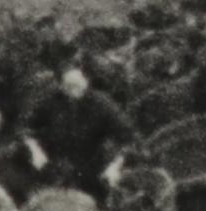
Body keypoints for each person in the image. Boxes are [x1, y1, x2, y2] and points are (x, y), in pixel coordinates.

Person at [14, 65, 136, 196]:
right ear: (61, 85)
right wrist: (35, 150)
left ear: (86, 82)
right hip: (53, 163)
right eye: (69, 85)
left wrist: (115, 166)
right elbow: (24, 126)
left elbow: (128, 138)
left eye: (78, 84)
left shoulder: (102, 104)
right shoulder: (50, 100)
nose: (74, 90)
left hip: (90, 166)